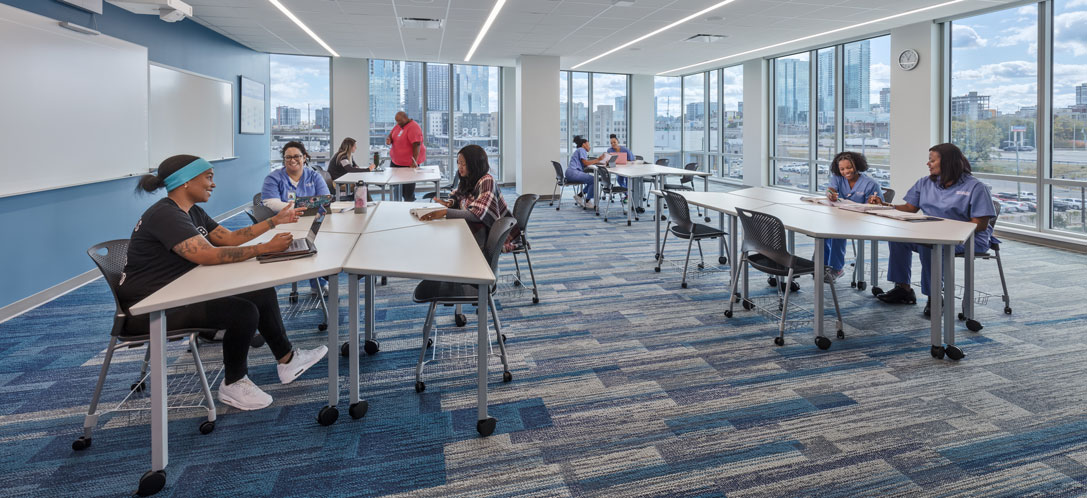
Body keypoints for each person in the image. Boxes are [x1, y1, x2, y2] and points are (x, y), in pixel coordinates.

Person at [118, 154, 329, 411]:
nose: (213, 184)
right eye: (208, 178)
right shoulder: (165, 215)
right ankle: (233, 383)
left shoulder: (191, 211)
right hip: (150, 307)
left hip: (177, 291)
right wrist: (263, 249)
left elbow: (227, 238)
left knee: (259, 291)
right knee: (243, 312)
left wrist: (274, 221)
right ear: (185, 182)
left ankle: (288, 360)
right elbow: (206, 255)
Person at [870, 143, 996, 315]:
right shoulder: (925, 183)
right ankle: (903, 289)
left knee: (928, 245)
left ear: (948, 162)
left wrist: (947, 229)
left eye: (932, 160)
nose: (927, 164)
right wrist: (886, 205)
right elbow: (910, 208)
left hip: (969, 238)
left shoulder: (975, 187)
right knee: (898, 238)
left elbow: (980, 224)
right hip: (930, 232)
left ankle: (934, 296)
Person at [262, 141, 331, 296]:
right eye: (288, 157)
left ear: (304, 157)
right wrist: (300, 209)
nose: (292, 160)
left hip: (313, 221)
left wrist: (316, 214)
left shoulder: (314, 176)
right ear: (284, 160)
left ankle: (318, 283)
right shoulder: (273, 178)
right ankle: (313, 279)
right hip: (284, 225)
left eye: (297, 156)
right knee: (309, 244)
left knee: (322, 242)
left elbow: (324, 199)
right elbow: (270, 202)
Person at [418, 145, 518, 249]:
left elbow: (477, 215)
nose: (459, 167)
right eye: (458, 163)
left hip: (488, 235)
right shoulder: (468, 178)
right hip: (471, 229)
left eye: (463, 164)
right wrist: (452, 202)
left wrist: (445, 212)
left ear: (474, 164)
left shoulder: (487, 181)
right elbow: (460, 195)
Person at [822, 151, 884, 282]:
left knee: (836, 231)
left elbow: (880, 207)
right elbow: (830, 189)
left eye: (849, 167)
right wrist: (830, 194)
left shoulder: (871, 183)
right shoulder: (837, 178)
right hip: (841, 218)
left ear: (857, 165)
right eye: (842, 169)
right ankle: (820, 265)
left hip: (861, 222)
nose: (846, 172)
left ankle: (836, 268)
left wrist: (873, 202)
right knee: (822, 230)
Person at [387, 111, 426, 202]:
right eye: (396, 121)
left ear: (405, 118)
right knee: (396, 189)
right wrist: (389, 138)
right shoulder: (399, 126)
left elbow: (416, 145)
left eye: (399, 121)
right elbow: (391, 134)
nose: (398, 123)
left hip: (408, 165)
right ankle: (397, 208)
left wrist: (414, 161)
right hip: (396, 163)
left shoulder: (413, 127)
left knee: (407, 192)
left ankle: (409, 208)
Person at [565, 135, 606, 210]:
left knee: (592, 180)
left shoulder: (579, 150)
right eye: (589, 144)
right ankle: (587, 201)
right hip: (573, 172)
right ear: (584, 144)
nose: (590, 147)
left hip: (571, 172)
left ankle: (580, 196)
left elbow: (585, 163)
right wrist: (598, 159)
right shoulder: (581, 150)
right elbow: (585, 163)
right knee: (593, 180)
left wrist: (598, 162)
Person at [607, 134, 635, 204]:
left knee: (627, 179)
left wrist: (626, 161)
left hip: (627, 168)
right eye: (611, 143)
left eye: (614, 142)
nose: (613, 144)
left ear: (618, 142)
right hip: (617, 169)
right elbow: (608, 160)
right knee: (619, 179)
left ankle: (629, 195)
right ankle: (627, 194)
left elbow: (632, 160)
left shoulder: (625, 149)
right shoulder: (609, 150)